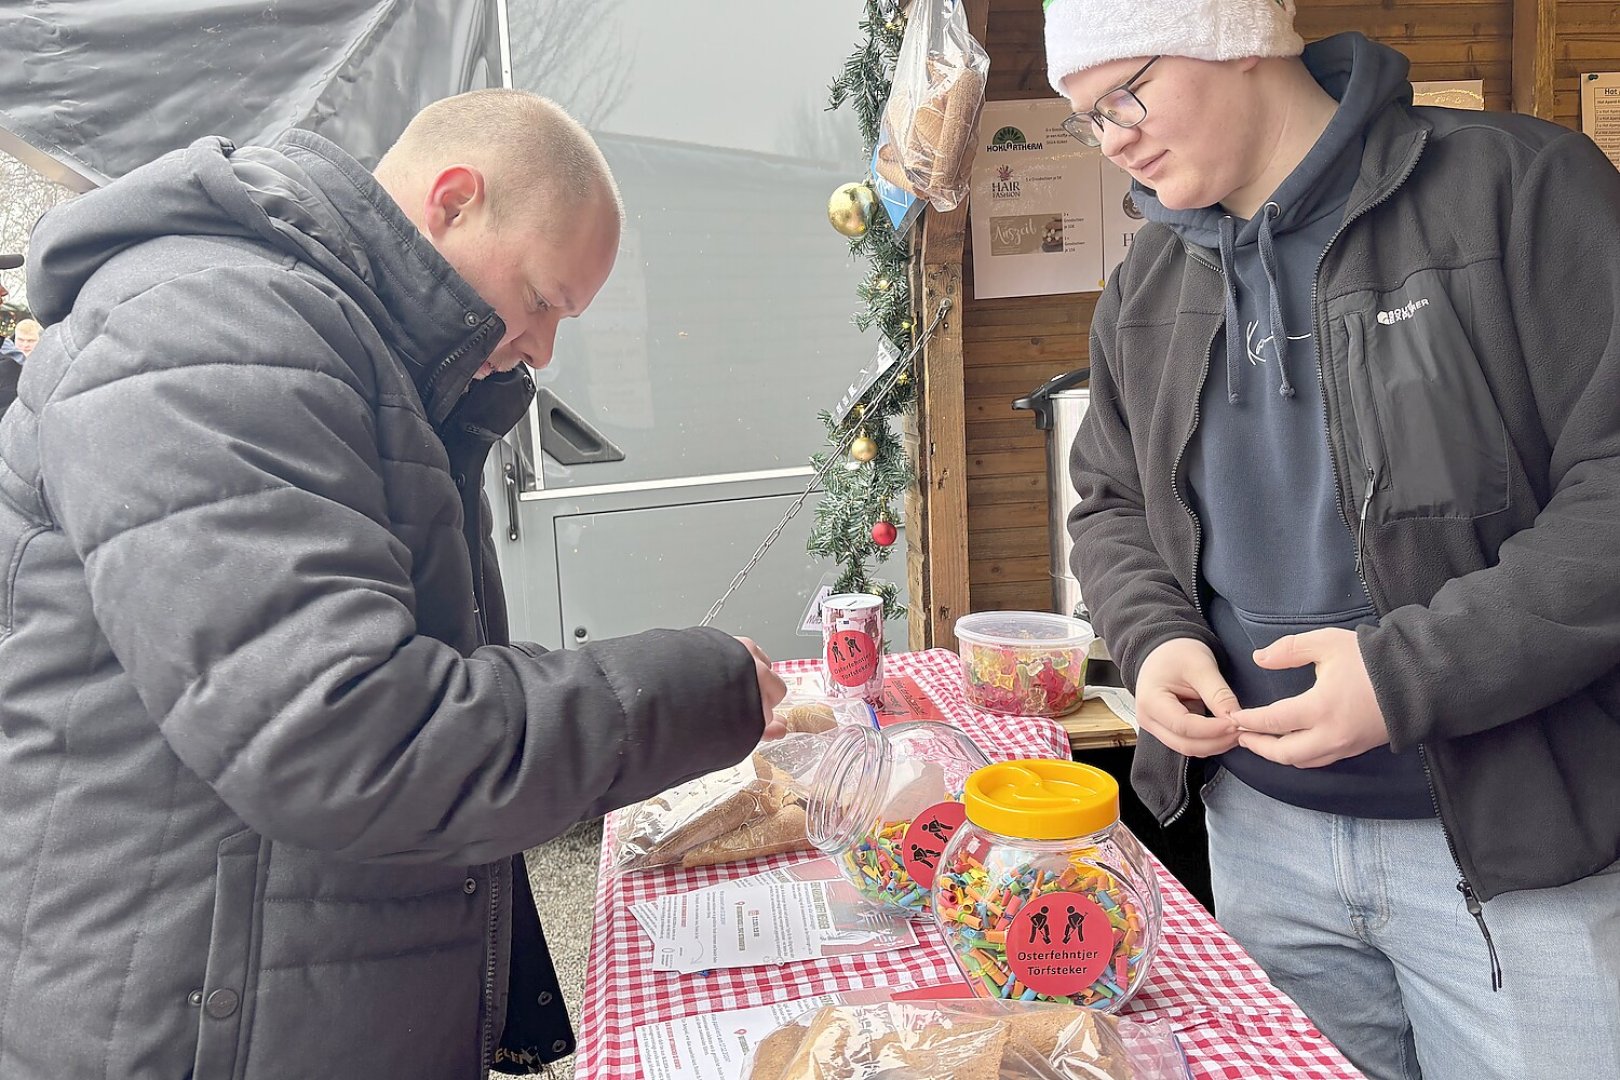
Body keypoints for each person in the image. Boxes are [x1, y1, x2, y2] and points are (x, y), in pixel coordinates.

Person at [0, 89, 789, 1080]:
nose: (543, 349)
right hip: (189, 1025)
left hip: (277, 998)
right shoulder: (207, 326)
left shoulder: (356, 358)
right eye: (543, 299)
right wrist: (694, 688)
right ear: (452, 202)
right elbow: (347, 732)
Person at [1044, 2, 1620, 1077]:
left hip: (1520, 853)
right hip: (1260, 845)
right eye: (1089, 118)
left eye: (1126, 92)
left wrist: (1409, 674)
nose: (1113, 136)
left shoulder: (1520, 190)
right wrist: (1158, 640)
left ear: (1242, 35)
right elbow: (1111, 505)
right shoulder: (1144, 284)